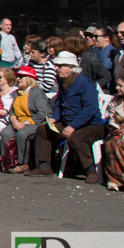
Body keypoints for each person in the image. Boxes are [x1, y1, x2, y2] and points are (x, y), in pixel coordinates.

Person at [25, 52, 106, 182]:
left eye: (61, 66)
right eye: (57, 65)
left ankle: (91, 171)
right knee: (43, 130)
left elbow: (90, 109)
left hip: (91, 124)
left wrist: (73, 126)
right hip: (69, 121)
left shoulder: (85, 83)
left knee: (76, 138)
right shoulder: (64, 81)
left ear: (72, 67)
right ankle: (45, 167)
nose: (57, 68)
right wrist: (55, 118)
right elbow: (60, 104)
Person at [0, 66, 51, 174]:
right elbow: (12, 111)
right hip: (19, 122)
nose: (18, 79)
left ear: (29, 79)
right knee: (6, 132)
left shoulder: (37, 92)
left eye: (21, 77)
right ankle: (7, 162)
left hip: (36, 122)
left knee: (22, 134)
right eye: (18, 77)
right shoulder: (16, 93)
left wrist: (25, 123)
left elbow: (42, 113)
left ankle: (23, 163)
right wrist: (14, 121)